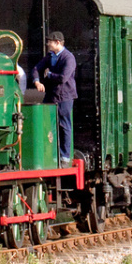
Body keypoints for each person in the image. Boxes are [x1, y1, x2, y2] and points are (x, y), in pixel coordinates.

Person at [34, 31, 77, 165]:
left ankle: (65, 157)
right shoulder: (50, 56)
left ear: (57, 43)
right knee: (48, 124)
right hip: (51, 96)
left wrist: (49, 75)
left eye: (50, 42)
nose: (48, 44)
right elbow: (36, 68)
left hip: (65, 96)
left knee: (64, 125)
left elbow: (63, 78)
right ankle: (51, 155)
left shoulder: (68, 58)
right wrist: (37, 81)